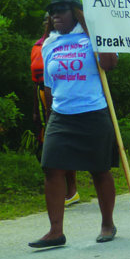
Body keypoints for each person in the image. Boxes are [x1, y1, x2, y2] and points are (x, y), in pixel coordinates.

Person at [29, 0, 119, 248]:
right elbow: (48, 84)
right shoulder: (49, 43)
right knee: (51, 168)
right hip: (61, 115)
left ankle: (107, 223)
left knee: (99, 170)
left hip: (92, 112)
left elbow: (110, 65)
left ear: (75, 13)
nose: (55, 14)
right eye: (53, 10)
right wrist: (48, 118)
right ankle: (55, 231)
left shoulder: (91, 38)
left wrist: (99, 35)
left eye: (62, 9)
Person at [31, 16, 79, 206]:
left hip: (60, 94)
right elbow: (34, 79)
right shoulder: (38, 46)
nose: (46, 23)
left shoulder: (65, 43)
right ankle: (56, 187)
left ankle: (72, 190)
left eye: (49, 20)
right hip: (42, 93)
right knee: (46, 142)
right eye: (44, 20)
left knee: (65, 142)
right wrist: (35, 108)